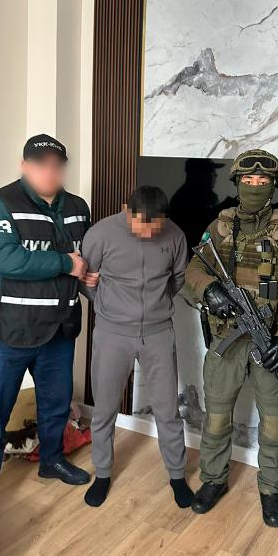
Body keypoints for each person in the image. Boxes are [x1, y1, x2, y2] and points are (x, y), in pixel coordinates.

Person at [185, 149, 278, 527]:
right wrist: (209, 289)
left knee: (274, 424)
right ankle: (213, 479)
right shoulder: (219, 227)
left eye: (263, 181)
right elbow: (194, 269)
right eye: (248, 180)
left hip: (270, 343)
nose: (255, 186)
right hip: (226, 340)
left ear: (273, 185)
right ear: (237, 183)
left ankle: (271, 488)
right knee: (216, 418)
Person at [0, 134, 94, 486]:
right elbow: (6, 259)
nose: (49, 172)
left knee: (56, 405)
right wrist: (66, 264)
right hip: (9, 329)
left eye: (56, 165)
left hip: (60, 328)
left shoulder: (78, 207)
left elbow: (83, 258)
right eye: (40, 165)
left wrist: (87, 274)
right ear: (24, 166)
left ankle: (51, 461)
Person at [81, 186, 193, 509]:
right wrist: (106, 305)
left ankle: (177, 476)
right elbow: (87, 281)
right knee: (104, 408)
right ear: (125, 210)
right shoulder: (100, 234)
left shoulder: (175, 236)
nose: (146, 233)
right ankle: (103, 474)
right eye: (139, 224)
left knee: (168, 410)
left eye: (153, 227)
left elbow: (178, 279)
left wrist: (155, 308)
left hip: (158, 334)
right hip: (112, 333)